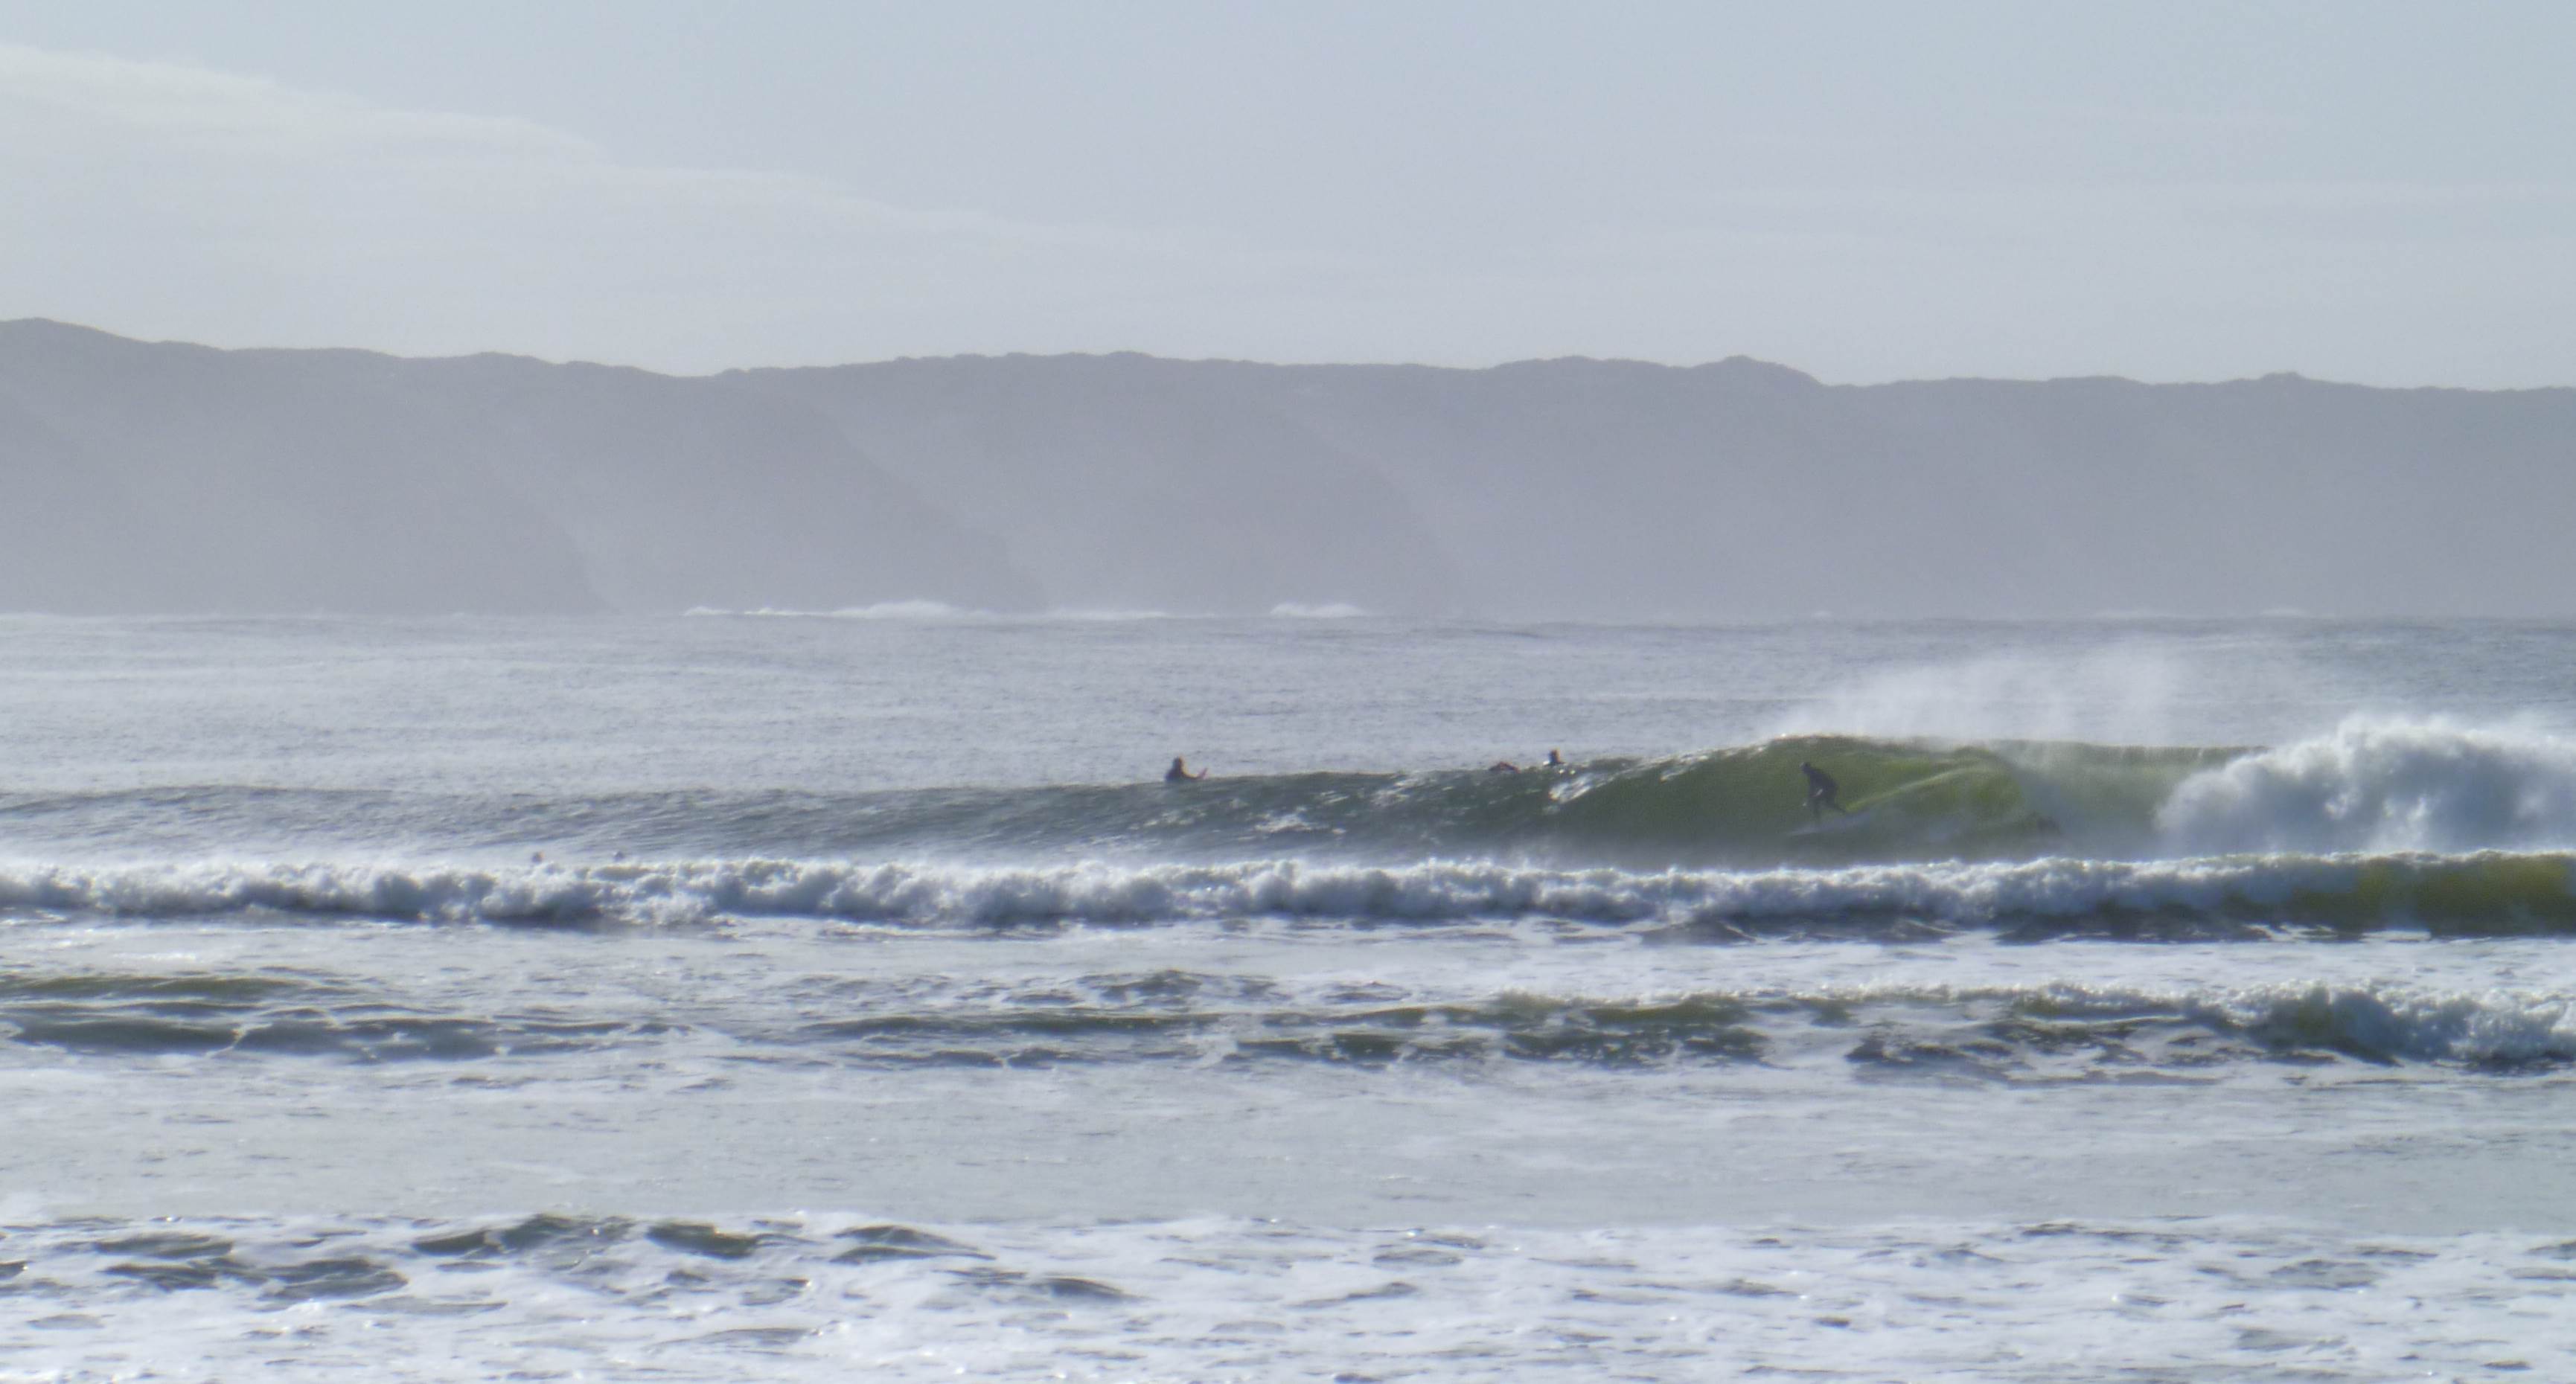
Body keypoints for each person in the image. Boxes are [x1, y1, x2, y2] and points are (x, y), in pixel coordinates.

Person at [1800, 760, 1849, 824]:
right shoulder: (1814, 772)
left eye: (1804, 769)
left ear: (1808, 767)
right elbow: (1813, 787)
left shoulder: (1813, 773)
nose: (1803, 771)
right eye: (1802, 769)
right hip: (1830, 787)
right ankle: (1845, 813)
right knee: (1828, 803)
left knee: (1816, 801)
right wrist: (1811, 796)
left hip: (1830, 788)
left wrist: (1809, 798)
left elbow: (1813, 788)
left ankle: (1818, 823)